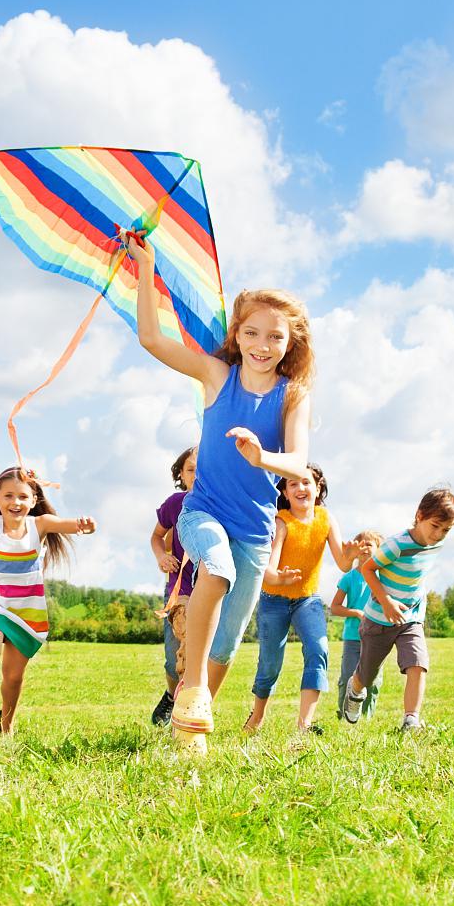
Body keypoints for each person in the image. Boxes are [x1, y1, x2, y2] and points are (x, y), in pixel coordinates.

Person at [120, 232, 312, 742]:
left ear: (290, 342)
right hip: (203, 512)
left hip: (254, 527)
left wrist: (262, 456)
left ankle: (190, 722)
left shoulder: (293, 395)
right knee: (216, 568)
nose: (262, 346)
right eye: (251, 334)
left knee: (225, 645)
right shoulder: (215, 375)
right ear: (237, 334)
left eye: (275, 337)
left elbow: (299, 463)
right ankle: (192, 688)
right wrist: (147, 267)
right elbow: (151, 340)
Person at [0, 467, 94, 741]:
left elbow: (72, 525)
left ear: (34, 500)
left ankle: (7, 724)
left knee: (13, 677)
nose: (16, 502)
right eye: (8, 495)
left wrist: (85, 525)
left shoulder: (41, 524)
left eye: (23, 496)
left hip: (27, 610)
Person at [340, 488, 454, 734]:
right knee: (368, 674)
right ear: (419, 515)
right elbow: (367, 570)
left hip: (411, 618)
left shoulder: (434, 545)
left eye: (446, 530)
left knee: (418, 663)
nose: (439, 534)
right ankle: (355, 691)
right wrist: (386, 602)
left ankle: (411, 721)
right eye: (435, 526)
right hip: (378, 619)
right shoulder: (396, 545)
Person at [246, 465, 350, 737]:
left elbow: (343, 563)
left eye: (306, 482)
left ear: (318, 487)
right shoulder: (282, 521)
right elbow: (268, 570)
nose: (300, 488)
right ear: (284, 492)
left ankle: (304, 725)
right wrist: (281, 578)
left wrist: (353, 553)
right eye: (292, 484)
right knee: (270, 663)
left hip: (308, 600)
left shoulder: (326, 519)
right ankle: (257, 716)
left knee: (318, 649)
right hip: (274, 599)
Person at [148, 446, 197, 727]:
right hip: (178, 594)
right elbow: (156, 536)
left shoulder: (221, 504)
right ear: (181, 474)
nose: (198, 475)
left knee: (197, 657)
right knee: (172, 661)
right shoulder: (174, 504)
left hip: (209, 591)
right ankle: (170, 694)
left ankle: (188, 712)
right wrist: (162, 556)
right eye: (191, 469)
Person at [330, 530, 384, 723]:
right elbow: (334, 608)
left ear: (379, 550)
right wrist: (356, 613)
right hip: (353, 637)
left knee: (373, 680)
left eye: (369, 544)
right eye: (361, 544)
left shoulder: (383, 577)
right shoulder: (349, 578)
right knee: (347, 678)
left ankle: (365, 717)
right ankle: (344, 715)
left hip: (377, 637)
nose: (364, 548)